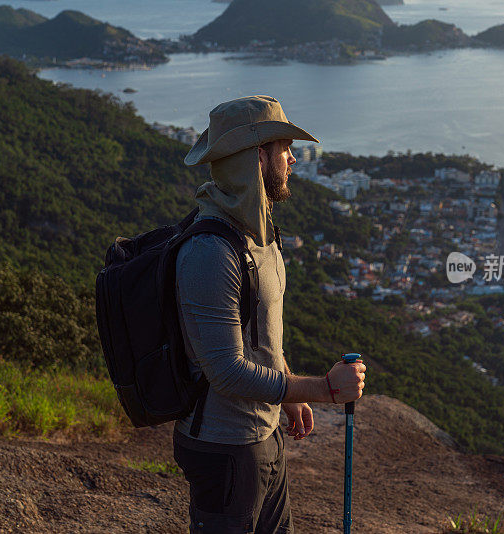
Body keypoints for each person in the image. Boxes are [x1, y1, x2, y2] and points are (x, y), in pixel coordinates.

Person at [174, 95, 367, 534]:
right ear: (258, 157)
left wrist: (289, 390)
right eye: (285, 149)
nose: (294, 159)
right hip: (224, 447)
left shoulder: (259, 234)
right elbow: (225, 371)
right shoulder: (210, 251)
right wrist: (322, 389)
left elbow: (258, 334)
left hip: (264, 434)